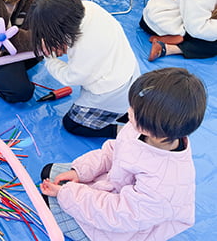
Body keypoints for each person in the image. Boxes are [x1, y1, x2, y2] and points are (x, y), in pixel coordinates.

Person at [39, 67, 207, 241]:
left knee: (49, 200)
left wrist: (66, 194)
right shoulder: (146, 130)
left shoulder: (164, 184)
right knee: (49, 174)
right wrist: (79, 172)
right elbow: (114, 150)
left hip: (126, 226)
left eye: (135, 112)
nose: (128, 112)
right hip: (116, 187)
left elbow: (119, 216)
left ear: (157, 127)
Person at [29, 0, 140, 138]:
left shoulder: (85, 47)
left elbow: (71, 78)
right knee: (124, 111)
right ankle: (129, 114)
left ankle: (124, 133)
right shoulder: (89, 8)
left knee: (72, 124)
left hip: (111, 91)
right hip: (129, 72)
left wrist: (50, 59)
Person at [141, 0, 217, 61]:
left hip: (161, 17)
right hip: (161, 23)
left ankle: (165, 46)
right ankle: (168, 47)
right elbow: (197, 29)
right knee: (213, 45)